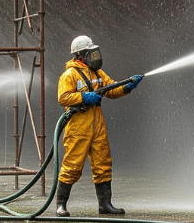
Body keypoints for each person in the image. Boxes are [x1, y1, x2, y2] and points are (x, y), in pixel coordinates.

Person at [54, 36, 143, 217]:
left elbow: (111, 89)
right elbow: (63, 97)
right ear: (80, 55)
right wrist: (84, 97)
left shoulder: (97, 73)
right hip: (78, 128)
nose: (94, 56)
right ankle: (61, 205)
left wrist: (127, 86)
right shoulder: (69, 75)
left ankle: (105, 205)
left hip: (97, 127)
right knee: (72, 165)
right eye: (90, 53)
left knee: (103, 164)